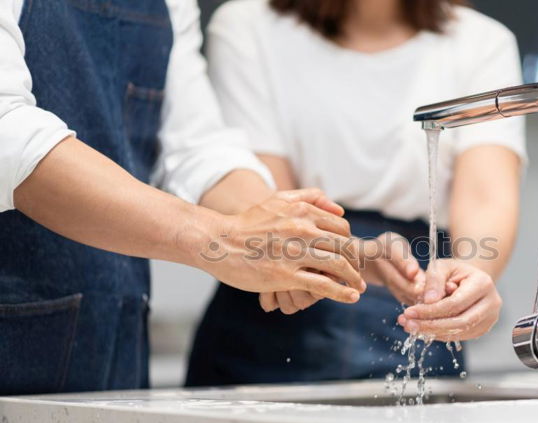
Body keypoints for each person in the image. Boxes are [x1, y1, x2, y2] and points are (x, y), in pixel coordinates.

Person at [0, 0, 365, 396]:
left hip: (113, 342)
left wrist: (286, 237)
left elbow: (194, 146)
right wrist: (219, 239)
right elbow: (8, 131)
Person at [186, 0, 526, 385]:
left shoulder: (481, 42)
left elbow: (487, 195)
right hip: (278, 305)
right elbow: (265, 203)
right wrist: (348, 254)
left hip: (420, 296)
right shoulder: (248, 25)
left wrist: (472, 275)